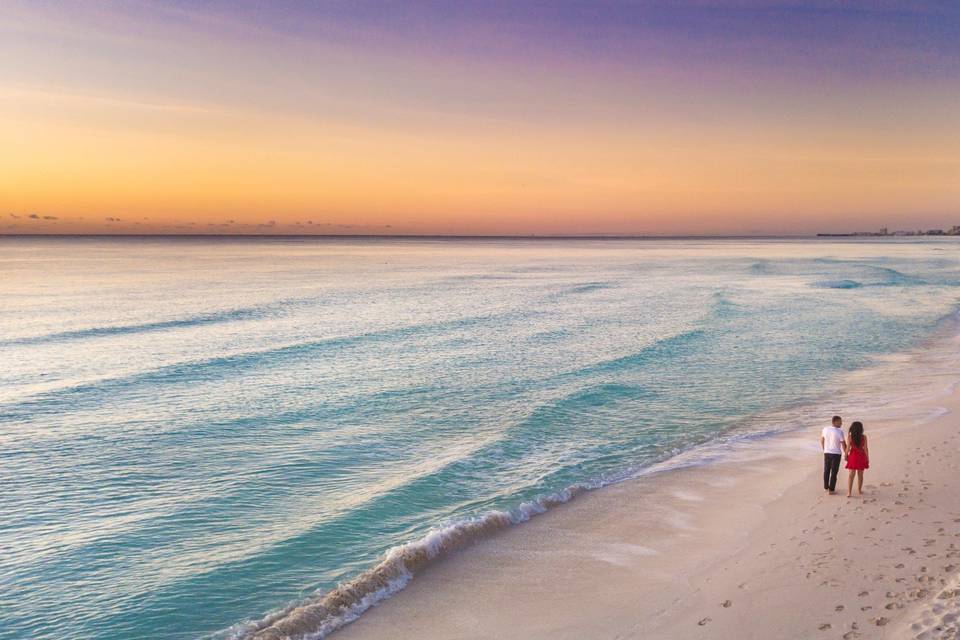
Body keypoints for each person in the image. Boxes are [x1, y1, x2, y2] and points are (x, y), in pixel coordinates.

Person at [820, 415, 846, 495]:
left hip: (827, 453)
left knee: (826, 470)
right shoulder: (840, 431)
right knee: (834, 472)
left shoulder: (825, 429)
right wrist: (846, 454)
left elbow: (822, 440)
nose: (841, 423)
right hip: (836, 454)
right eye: (840, 422)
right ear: (835, 422)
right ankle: (831, 490)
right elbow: (843, 444)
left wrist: (824, 449)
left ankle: (826, 487)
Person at [845, 421, 869, 497]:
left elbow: (848, 448)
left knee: (851, 475)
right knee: (860, 475)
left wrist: (845, 456)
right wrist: (867, 458)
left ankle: (849, 492)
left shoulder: (850, 437)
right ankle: (859, 490)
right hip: (861, 456)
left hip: (853, 456)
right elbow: (865, 449)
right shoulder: (864, 437)